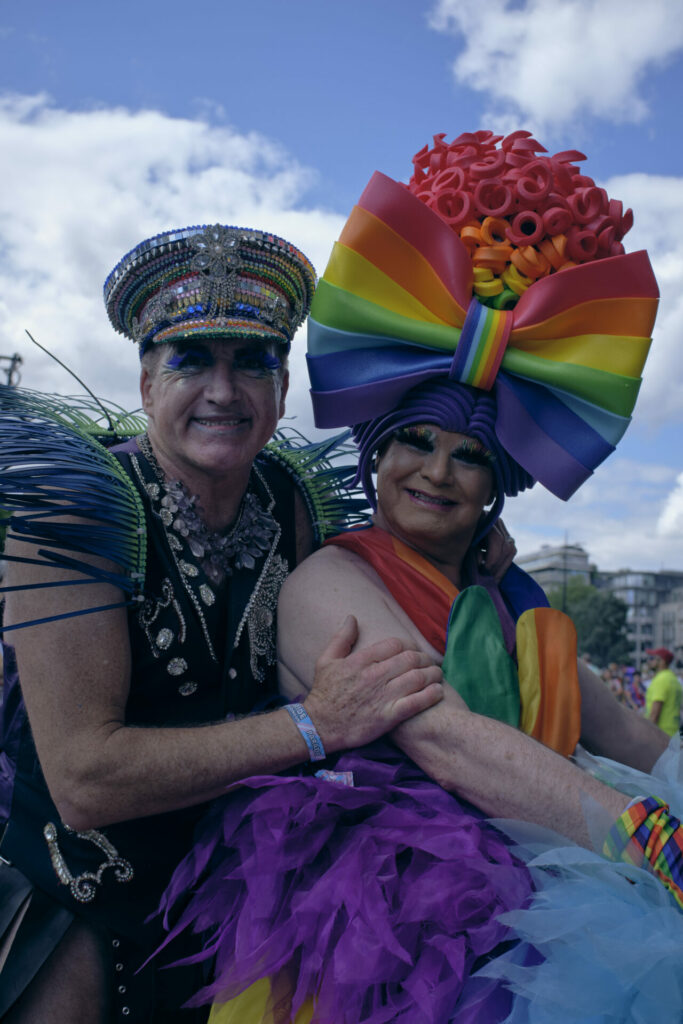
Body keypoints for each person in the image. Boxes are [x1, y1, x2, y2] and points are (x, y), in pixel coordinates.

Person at [160, 133, 683, 1022]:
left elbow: (628, 735)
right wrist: (651, 838)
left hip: (535, 881)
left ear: (497, 486)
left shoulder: (513, 602)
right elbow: (442, 738)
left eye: (468, 455)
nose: (435, 472)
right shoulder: (330, 578)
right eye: (413, 441)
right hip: (386, 929)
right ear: (376, 455)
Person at [0, 224, 446, 1023]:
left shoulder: (290, 499)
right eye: (191, 358)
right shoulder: (70, 509)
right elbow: (84, 781)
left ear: (281, 389)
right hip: (77, 899)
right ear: (144, 383)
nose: (223, 390)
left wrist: (478, 543)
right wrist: (315, 726)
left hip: (236, 899)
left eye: (253, 361)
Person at [645, 647, 682, 736]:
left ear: (662, 661)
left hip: (660, 733)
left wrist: (647, 735)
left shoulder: (661, 679)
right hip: (673, 732)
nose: (649, 661)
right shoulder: (674, 679)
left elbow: (654, 714)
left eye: (652, 658)